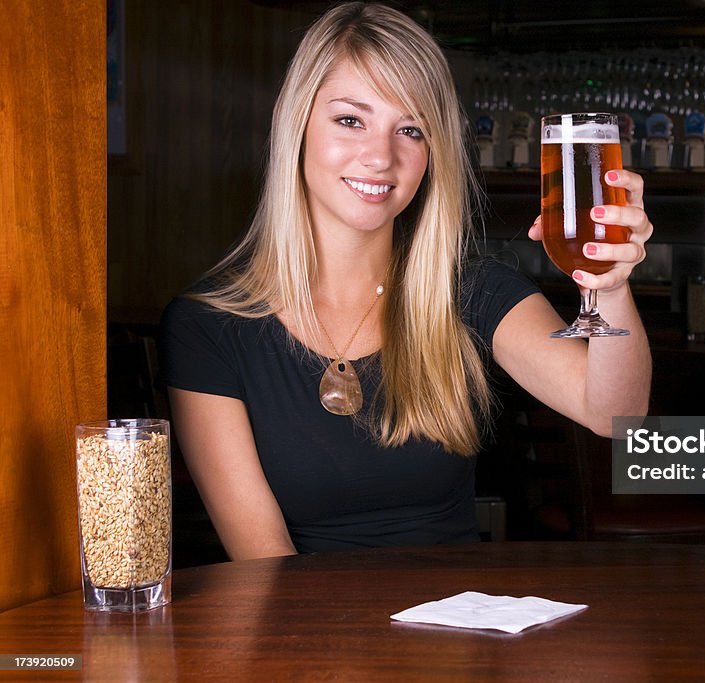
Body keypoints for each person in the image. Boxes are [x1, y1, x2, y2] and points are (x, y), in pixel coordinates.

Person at [159, 1, 653, 560]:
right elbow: (266, 564)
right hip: (303, 633)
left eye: (411, 130)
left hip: (459, 631)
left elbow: (616, 416)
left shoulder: (472, 291)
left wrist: (610, 285)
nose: (381, 156)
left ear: (431, 154)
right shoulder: (210, 327)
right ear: (297, 127)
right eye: (350, 120)